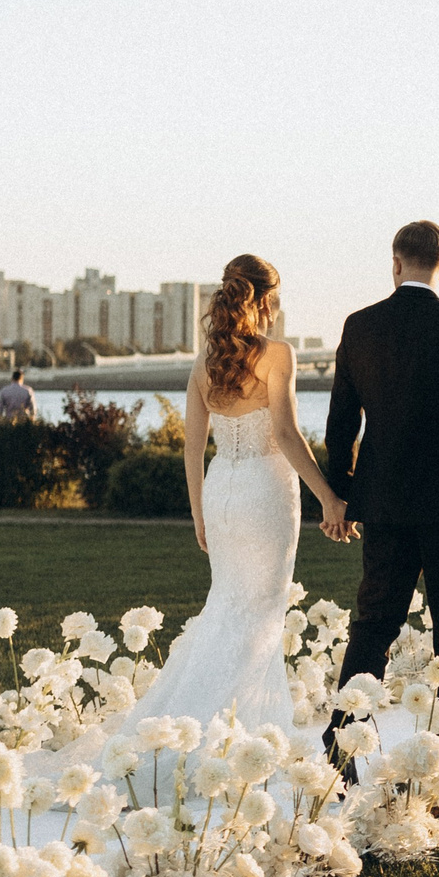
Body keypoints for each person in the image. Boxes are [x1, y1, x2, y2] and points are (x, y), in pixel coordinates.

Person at [88, 255, 346, 750]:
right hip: (265, 496)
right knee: (260, 611)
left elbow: (191, 447)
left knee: (227, 607)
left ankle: (205, 727)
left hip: (220, 491)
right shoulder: (278, 355)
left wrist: (198, 514)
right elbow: (287, 435)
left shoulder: (204, 365)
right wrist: (329, 498)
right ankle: (240, 735)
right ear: (267, 299)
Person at [322, 220, 439, 768]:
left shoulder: (359, 326)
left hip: (384, 502)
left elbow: (341, 422)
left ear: (395, 263)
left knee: (373, 623)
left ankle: (342, 742)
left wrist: (342, 494)